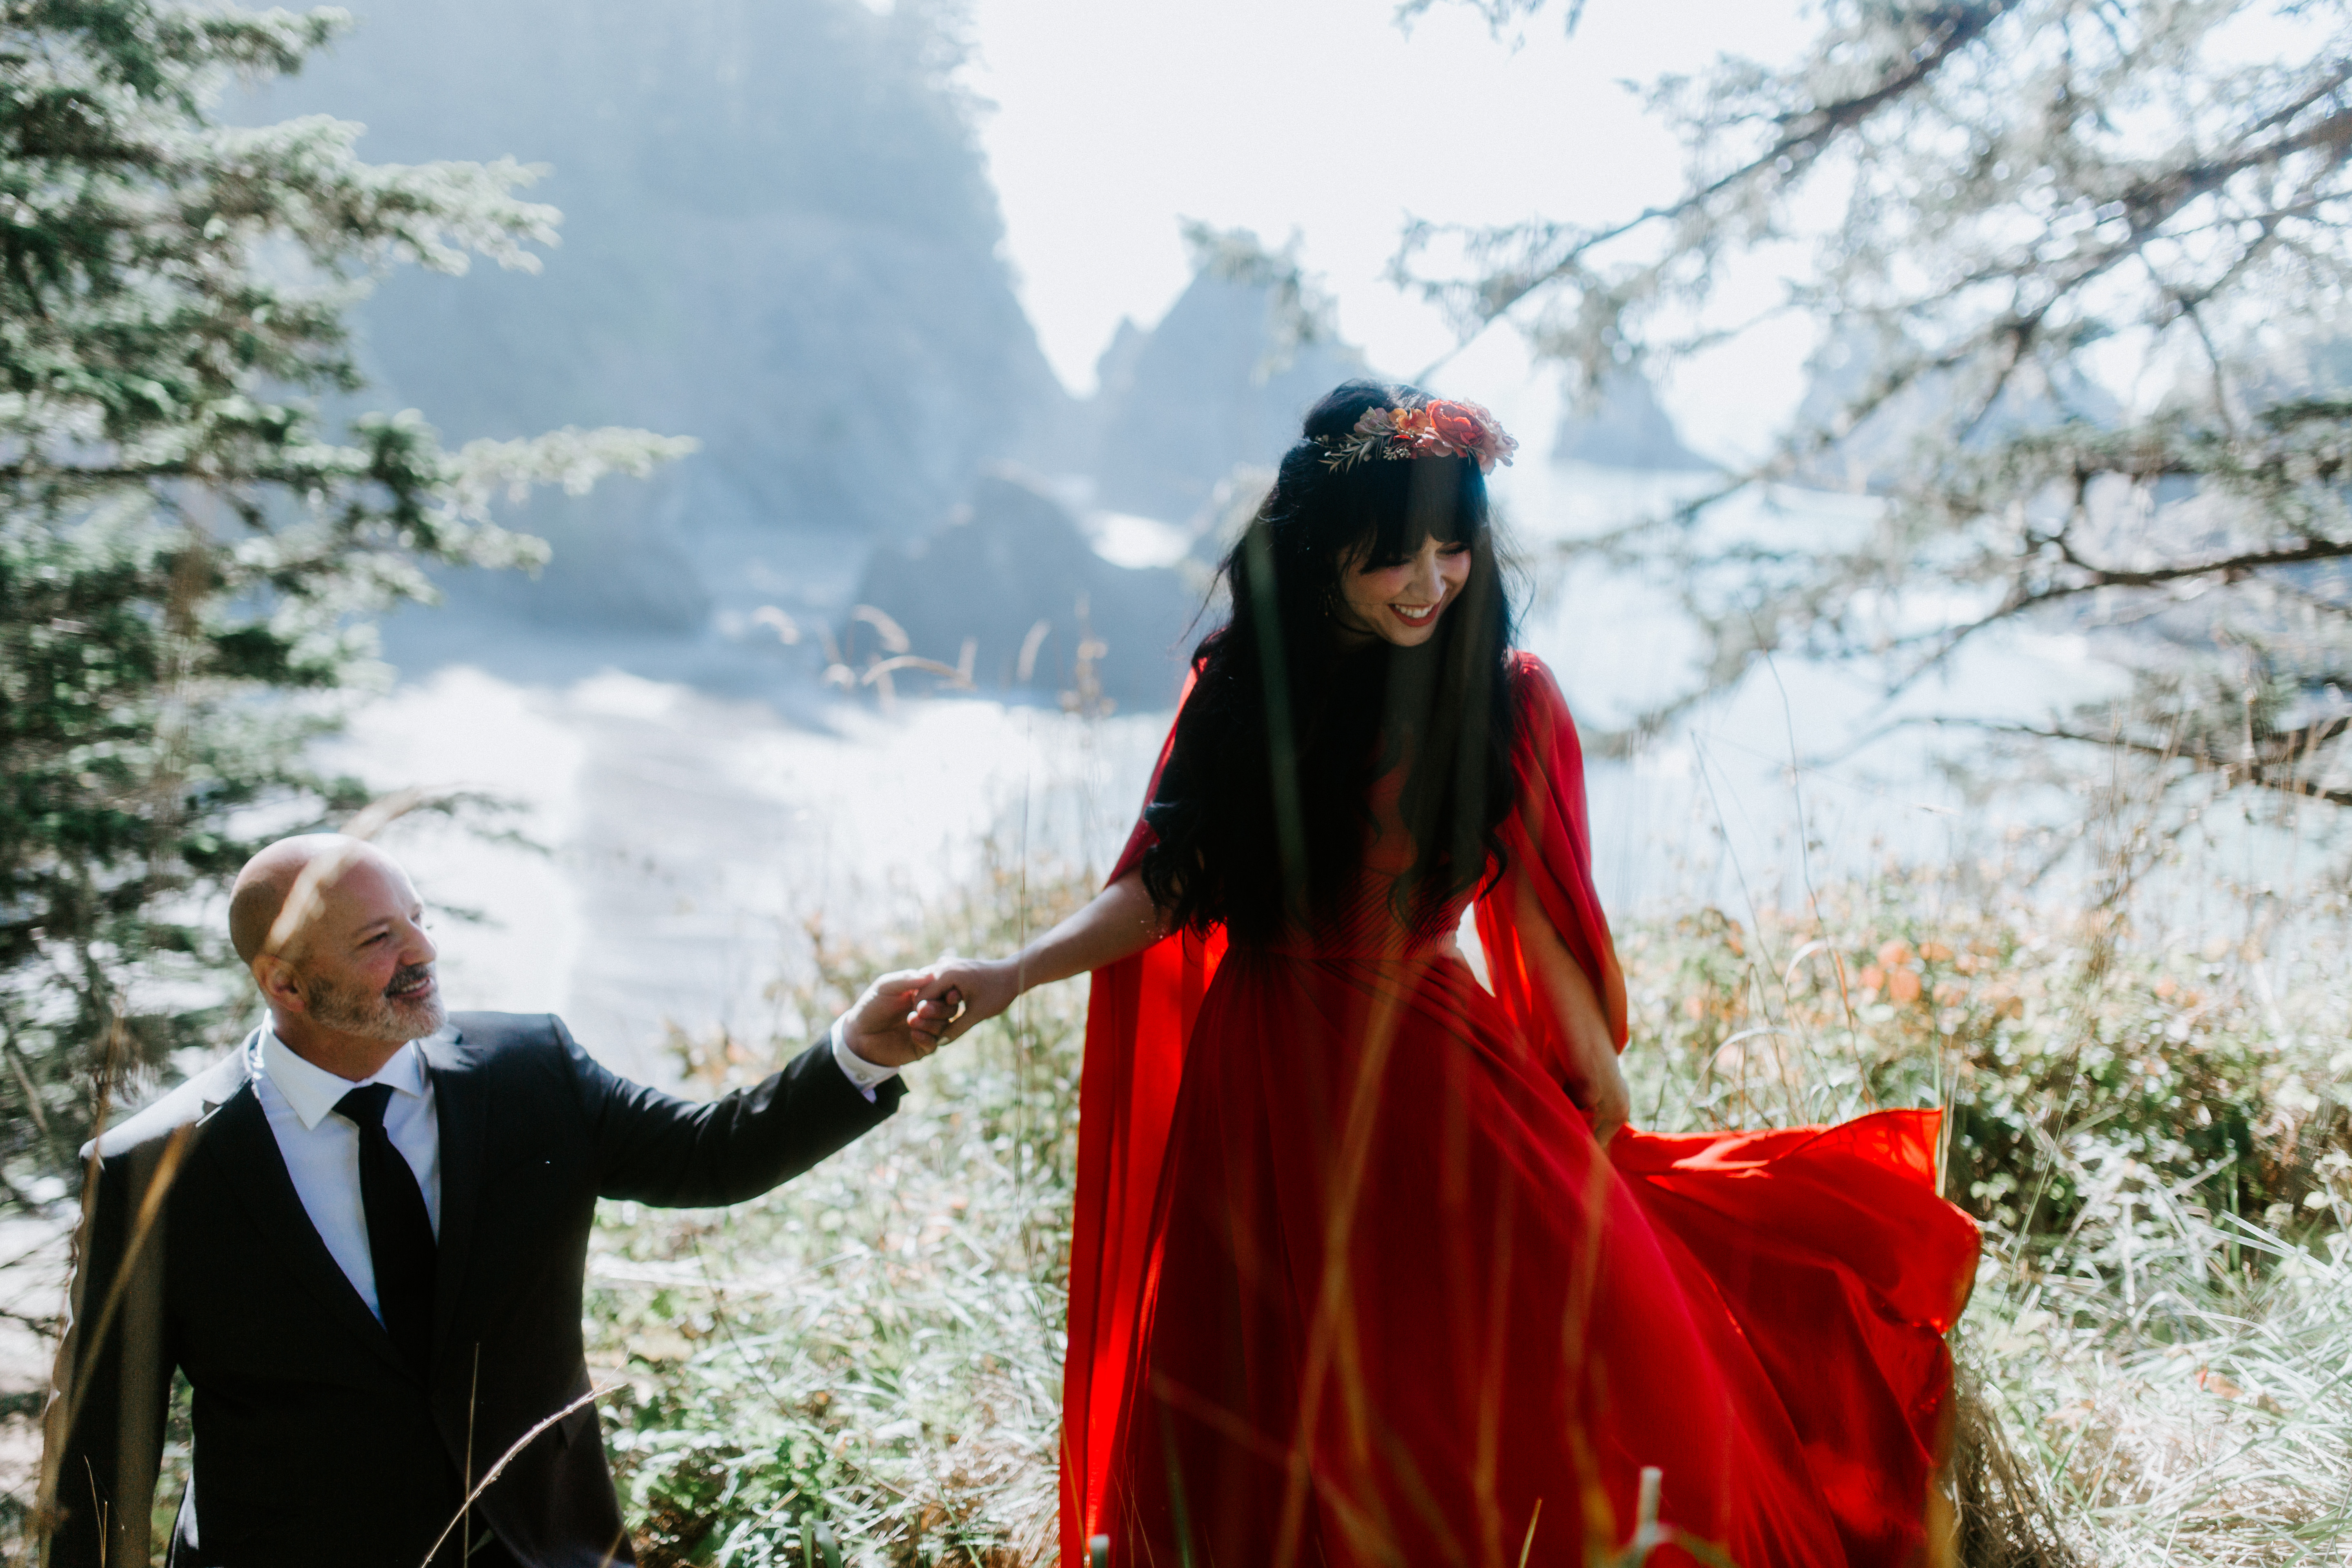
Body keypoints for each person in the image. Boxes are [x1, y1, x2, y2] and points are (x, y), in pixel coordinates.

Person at [916, 382, 1982, 1566]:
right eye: (1394, 556)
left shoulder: (1505, 697)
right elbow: (1172, 882)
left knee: (1573, 1348)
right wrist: (1014, 972)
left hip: (1435, 1066)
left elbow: (1528, 904)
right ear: (1322, 551)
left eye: (1452, 547)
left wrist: (1592, 1069)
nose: (1430, 581)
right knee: (1275, 1398)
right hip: (1265, 1085)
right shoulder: (1246, 689)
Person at [45, 833, 948, 1567]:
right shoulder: (154, 1171)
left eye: (419, 919)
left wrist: (858, 1052)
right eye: (379, 940)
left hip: (541, 1552)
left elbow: (711, 1156)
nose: (423, 953)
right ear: (284, 983)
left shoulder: (531, 1072)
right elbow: (100, 1457)